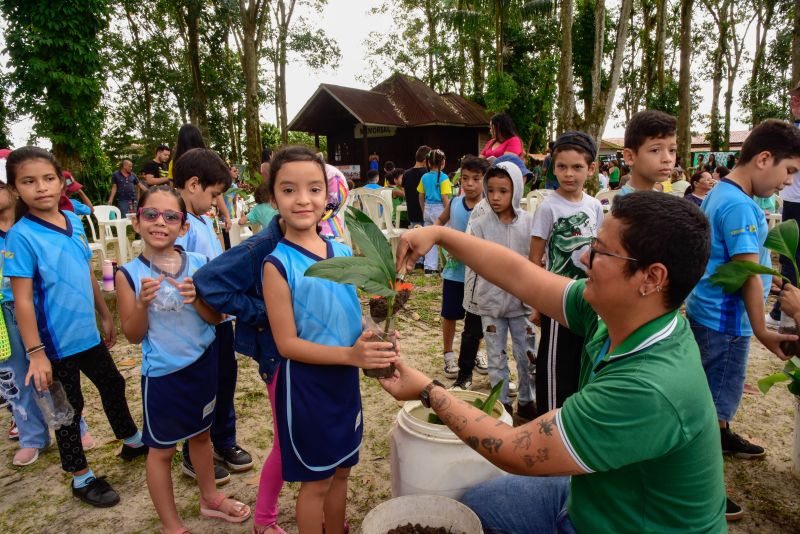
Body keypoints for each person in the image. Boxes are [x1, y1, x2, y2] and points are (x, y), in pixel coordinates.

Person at [382, 191, 726, 532]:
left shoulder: (650, 387)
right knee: (474, 506)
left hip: (622, 524)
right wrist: (440, 234)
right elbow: (519, 275)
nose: (585, 257)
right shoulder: (617, 313)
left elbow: (513, 449)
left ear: (651, 278)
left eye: (602, 251)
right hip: (590, 498)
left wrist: (428, 391)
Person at [261, 146, 397, 533]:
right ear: (274, 198)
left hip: (344, 381)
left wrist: (374, 338)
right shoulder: (277, 264)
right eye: (289, 190)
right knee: (316, 481)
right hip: (307, 387)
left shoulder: (339, 250)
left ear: (328, 194)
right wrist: (350, 355)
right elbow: (287, 344)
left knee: (341, 472)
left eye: (314, 189)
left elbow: (348, 315)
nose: (303, 199)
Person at [5, 146, 147, 507]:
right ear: (15, 188)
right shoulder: (22, 236)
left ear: (61, 181)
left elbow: (86, 271)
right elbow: (22, 299)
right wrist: (36, 354)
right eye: (28, 181)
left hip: (87, 334)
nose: (41, 188)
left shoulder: (73, 222)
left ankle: (131, 440)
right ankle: (81, 476)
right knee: (69, 409)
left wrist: (103, 313)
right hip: (53, 344)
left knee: (112, 383)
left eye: (48, 178)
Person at [116, 186, 250, 532]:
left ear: (184, 227)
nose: (160, 222)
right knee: (161, 451)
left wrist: (198, 300)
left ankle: (211, 499)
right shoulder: (128, 274)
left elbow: (217, 318)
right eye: (151, 215)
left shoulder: (202, 266)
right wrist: (143, 303)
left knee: (202, 436)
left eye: (171, 217)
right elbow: (132, 334)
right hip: (164, 377)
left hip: (203, 366)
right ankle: (172, 524)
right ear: (137, 222)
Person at [685, 119, 800, 517]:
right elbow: (749, 274)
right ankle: (707, 488)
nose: (788, 182)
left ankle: (723, 434)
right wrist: (762, 330)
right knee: (713, 406)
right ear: (764, 158)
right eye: (789, 171)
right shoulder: (739, 206)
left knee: (714, 395)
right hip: (727, 325)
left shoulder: (722, 192)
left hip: (708, 314)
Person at [173, 148, 253, 483]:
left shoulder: (203, 220)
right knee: (201, 388)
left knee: (225, 379)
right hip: (197, 323)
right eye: (214, 194)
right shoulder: (179, 225)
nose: (216, 201)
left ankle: (223, 439)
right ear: (193, 184)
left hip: (220, 320)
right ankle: (193, 454)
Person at [529, 131, 604, 417]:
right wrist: (537, 304)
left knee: (581, 360)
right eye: (562, 167)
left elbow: (595, 252)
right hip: (556, 299)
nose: (568, 174)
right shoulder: (548, 208)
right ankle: (548, 419)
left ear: (591, 169)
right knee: (554, 363)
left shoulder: (595, 206)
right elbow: (535, 260)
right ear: (553, 167)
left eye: (577, 167)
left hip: (587, 299)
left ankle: (573, 420)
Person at [470, 162, 535, 417]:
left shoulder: (529, 224)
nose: (496, 197)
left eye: (504, 191)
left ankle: (528, 401)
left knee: (527, 356)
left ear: (516, 190)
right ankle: (502, 403)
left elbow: (537, 260)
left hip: (524, 304)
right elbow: (476, 262)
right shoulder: (480, 225)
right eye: (492, 190)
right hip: (491, 303)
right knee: (496, 358)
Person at [433, 155, 488, 385]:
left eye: (476, 179)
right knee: (450, 314)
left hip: (478, 274)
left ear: (485, 180)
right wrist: (443, 244)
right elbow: (439, 224)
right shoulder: (455, 203)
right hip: (455, 273)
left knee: (478, 317)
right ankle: (448, 354)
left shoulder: (489, 207)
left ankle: (476, 352)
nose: (470, 184)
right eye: (465, 178)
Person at [767, 81, 800, 328]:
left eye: (799, 99)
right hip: (791, 200)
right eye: (793, 98)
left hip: (796, 202)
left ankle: (783, 314)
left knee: (790, 259)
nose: (794, 103)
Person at [171, 124, 233, 239]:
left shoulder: (174, 163)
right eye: (213, 196)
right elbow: (216, 192)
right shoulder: (209, 162)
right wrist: (226, 215)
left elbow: (173, 188)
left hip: (186, 209)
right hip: (203, 212)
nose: (214, 200)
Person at [617, 110, 677, 196]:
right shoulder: (624, 207)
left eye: (672, 150)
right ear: (630, 156)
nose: (667, 159)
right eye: (655, 150)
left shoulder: (659, 198)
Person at [417, 149, 451, 274]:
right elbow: (445, 198)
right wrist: (449, 213)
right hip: (440, 209)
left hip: (427, 208)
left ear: (428, 163)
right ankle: (446, 265)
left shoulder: (424, 177)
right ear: (443, 163)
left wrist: (423, 210)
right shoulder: (444, 178)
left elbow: (420, 196)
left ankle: (429, 268)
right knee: (444, 238)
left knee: (429, 239)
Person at [402, 145, 431, 229]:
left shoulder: (406, 174)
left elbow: (405, 192)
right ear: (426, 160)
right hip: (426, 214)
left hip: (412, 215)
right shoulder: (427, 173)